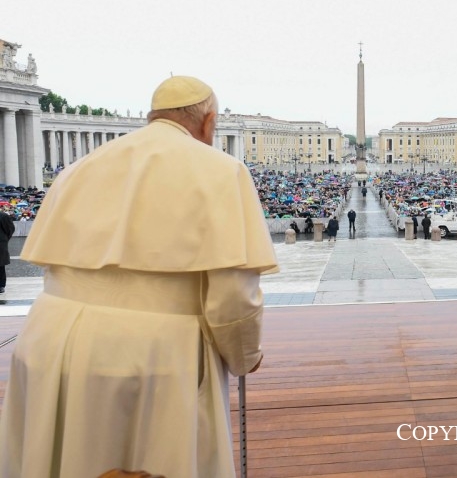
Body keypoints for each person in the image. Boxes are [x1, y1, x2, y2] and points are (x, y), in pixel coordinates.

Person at [0, 76, 279, 477]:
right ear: (209, 122)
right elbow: (233, 296)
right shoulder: (222, 170)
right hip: (154, 352)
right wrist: (244, 355)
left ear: (153, 117)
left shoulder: (79, 168)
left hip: (48, 339)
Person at [0, 209, 14, 296]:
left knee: (0, 265)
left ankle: (1, 285)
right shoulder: (3, 216)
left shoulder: (3, 216)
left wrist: (4, 239)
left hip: (0, 244)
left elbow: (10, 229)